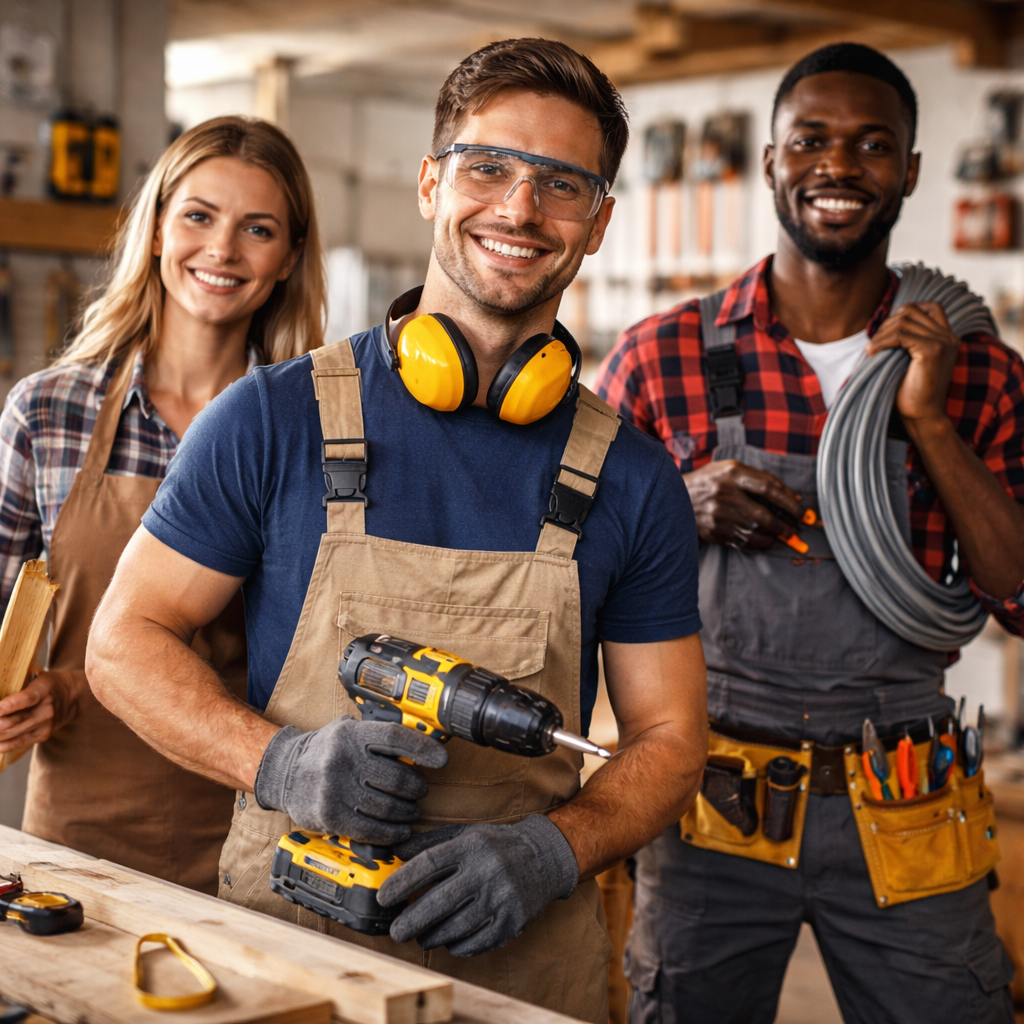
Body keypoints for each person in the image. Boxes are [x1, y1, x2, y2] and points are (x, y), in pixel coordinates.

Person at [85, 38, 707, 1022]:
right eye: (488, 167)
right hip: (285, 956)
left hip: (522, 965)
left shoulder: (629, 474)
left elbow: (670, 737)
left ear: (597, 222)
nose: (517, 207)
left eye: (560, 184)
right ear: (430, 183)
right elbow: (123, 644)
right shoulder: (271, 418)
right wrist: (276, 762)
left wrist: (559, 847)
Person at [597, 43, 1020, 1024]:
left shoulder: (980, 373)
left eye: (872, 145)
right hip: (712, 795)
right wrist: (680, 500)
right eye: (811, 141)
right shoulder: (662, 359)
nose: (839, 166)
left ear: (909, 171)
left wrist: (928, 422)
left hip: (905, 798)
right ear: (771, 161)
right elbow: (570, 569)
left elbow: (1016, 591)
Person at [0, 116, 325, 895]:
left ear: (288, 259)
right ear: (154, 231)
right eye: (199, 216)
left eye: (258, 228)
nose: (222, 250)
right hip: (80, 835)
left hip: (266, 832)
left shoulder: (316, 432)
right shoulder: (48, 414)